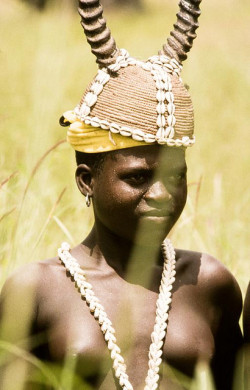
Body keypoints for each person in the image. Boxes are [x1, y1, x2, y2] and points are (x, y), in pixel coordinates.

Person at [0, 0, 243, 389]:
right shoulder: (36, 291)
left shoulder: (209, 284)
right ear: (86, 181)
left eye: (176, 176)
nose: (163, 193)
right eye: (138, 177)